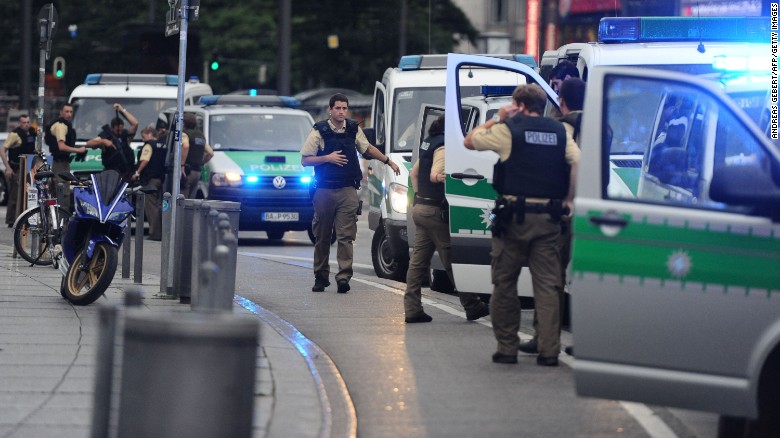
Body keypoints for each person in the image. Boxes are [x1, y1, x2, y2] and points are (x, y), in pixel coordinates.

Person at [464, 84, 579, 366]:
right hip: (549, 217)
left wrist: (497, 117)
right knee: (549, 286)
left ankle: (507, 347)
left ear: (518, 104)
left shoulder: (508, 130)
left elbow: (470, 141)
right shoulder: (560, 131)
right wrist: (568, 201)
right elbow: (577, 162)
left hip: (514, 218)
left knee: (504, 283)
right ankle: (549, 350)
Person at [301, 93, 400, 293]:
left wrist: (387, 161)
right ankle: (320, 276)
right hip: (324, 189)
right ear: (330, 110)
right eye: (337, 108)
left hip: (347, 189)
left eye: (344, 108)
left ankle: (344, 277)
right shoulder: (319, 131)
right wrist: (327, 158)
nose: (341, 112)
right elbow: (305, 159)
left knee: (346, 236)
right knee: (322, 235)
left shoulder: (353, 129)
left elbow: (368, 149)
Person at [519, 77, 585, 357]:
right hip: (596, 211)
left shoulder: (564, 129)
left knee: (550, 277)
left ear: (562, 101)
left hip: (564, 211)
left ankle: (545, 337)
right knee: (588, 277)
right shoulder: (601, 126)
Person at [404, 114, 490, 323]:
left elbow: (414, 174)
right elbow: (435, 173)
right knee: (451, 258)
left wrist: (418, 197)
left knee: (418, 262)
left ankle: (412, 308)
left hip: (421, 208)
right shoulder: (442, 146)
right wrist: (440, 178)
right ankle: (472, 305)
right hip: (434, 211)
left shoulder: (428, 144)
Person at [45, 103, 88, 212]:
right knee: (63, 192)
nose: (69, 114)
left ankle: (53, 219)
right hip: (60, 163)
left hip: (60, 162)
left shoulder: (65, 125)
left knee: (55, 191)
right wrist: (79, 150)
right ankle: (63, 221)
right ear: (61, 112)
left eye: (71, 112)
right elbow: (62, 146)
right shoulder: (61, 126)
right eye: (66, 111)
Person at [86, 103, 138, 181]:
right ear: (112, 128)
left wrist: (122, 110)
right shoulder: (106, 135)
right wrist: (103, 141)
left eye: (121, 129)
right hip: (112, 173)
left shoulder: (125, 135)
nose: (120, 132)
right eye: (117, 130)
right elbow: (88, 144)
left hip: (127, 172)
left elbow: (135, 123)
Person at [1, 114, 36, 226]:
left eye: (27, 122)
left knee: (28, 194)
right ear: (19, 123)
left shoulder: (31, 133)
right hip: (17, 167)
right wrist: (8, 168)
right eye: (23, 122)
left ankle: (24, 219)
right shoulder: (15, 134)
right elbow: (3, 150)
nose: (26, 125)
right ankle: (11, 220)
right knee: (15, 196)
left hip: (29, 167)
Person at [132, 126, 166, 241]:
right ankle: (159, 232)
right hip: (160, 179)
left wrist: (137, 173)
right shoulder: (162, 145)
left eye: (143, 136)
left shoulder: (149, 145)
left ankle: (155, 234)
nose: (143, 139)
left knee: (151, 207)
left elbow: (145, 160)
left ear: (150, 134)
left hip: (150, 179)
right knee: (157, 206)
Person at [180, 113, 214, 198]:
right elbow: (210, 153)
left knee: (181, 198)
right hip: (197, 171)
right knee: (191, 198)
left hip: (186, 171)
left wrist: (182, 165)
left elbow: (186, 146)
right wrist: (201, 162)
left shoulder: (184, 134)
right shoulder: (200, 136)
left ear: (183, 124)